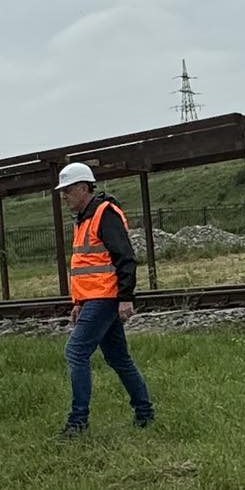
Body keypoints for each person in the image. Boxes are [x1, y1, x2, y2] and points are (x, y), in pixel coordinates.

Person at [55, 162, 153, 438]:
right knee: (119, 357)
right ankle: (144, 413)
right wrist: (78, 302)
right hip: (94, 298)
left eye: (68, 191)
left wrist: (125, 297)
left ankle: (78, 422)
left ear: (83, 188)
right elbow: (86, 266)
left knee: (75, 352)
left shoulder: (104, 214)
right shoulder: (85, 218)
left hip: (104, 297)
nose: (64, 197)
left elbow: (125, 257)